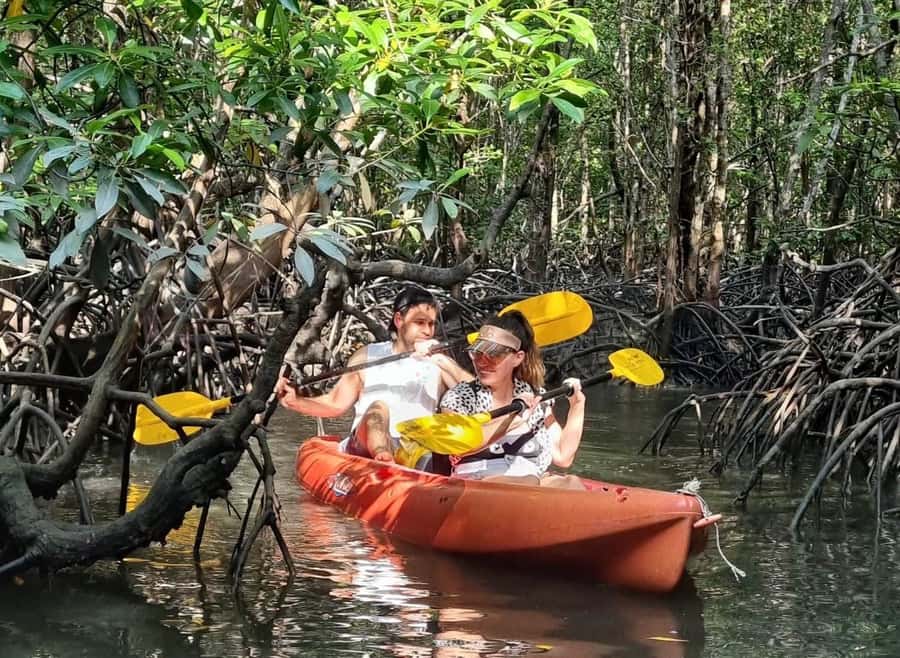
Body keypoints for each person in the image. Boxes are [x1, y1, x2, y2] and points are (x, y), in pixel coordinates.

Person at [275, 286, 472, 462]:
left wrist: (441, 360)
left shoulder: (439, 362)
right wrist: (295, 401)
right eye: (420, 322)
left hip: (413, 449)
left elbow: (478, 397)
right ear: (399, 320)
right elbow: (335, 404)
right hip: (366, 445)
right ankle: (383, 457)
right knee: (379, 407)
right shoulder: (367, 355)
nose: (428, 331)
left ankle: (399, 462)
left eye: (431, 324)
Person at [438, 310, 586, 487]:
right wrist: (514, 419)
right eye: (478, 353)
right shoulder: (458, 397)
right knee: (528, 482)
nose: (482, 362)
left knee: (571, 483)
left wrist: (577, 404)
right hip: (477, 485)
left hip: (532, 484)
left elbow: (563, 457)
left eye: (494, 355)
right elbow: (458, 445)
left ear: (517, 358)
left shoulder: (536, 397)